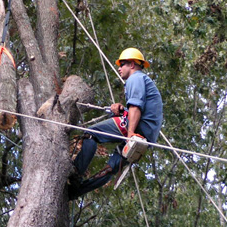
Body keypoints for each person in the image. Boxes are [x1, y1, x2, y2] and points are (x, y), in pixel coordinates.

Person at [69, 48, 163, 200]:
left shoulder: (136, 78)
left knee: (91, 134)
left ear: (132, 65)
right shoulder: (145, 81)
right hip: (147, 136)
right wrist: (121, 110)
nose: (119, 68)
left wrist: (130, 133)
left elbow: (136, 107)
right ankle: (74, 192)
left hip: (136, 127)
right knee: (111, 169)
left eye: (122, 64)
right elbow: (139, 109)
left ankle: (76, 174)